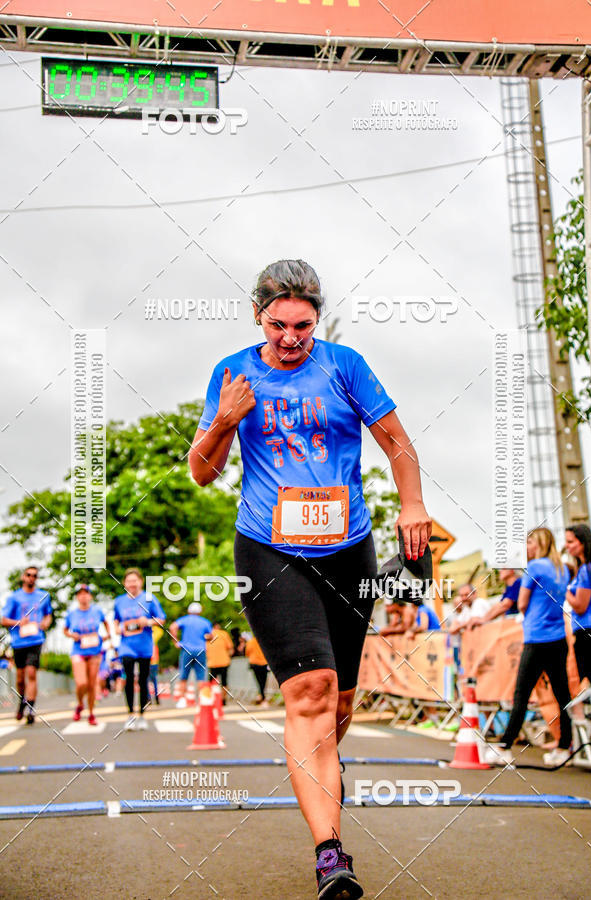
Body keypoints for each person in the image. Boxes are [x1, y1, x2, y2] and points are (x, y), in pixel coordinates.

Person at [189, 259, 431, 900]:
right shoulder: (233, 371)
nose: (291, 337)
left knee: (339, 703)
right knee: (312, 691)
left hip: (348, 550)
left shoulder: (344, 365)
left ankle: (318, 758)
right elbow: (201, 473)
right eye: (278, 325)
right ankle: (331, 853)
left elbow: (397, 443)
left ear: (316, 318)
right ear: (257, 316)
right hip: (270, 550)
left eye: (303, 324)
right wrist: (224, 420)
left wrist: (412, 504)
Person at [483, 528, 573, 767]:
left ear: (540, 543)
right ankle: (565, 746)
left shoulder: (534, 568)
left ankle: (505, 747)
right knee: (561, 694)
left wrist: (530, 612)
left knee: (521, 694)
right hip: (558, 638)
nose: (526, 546)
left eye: (529, 542)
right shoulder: (563, 569)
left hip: (536, 638)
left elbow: (522, 602)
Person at [113, 568, 165, 730]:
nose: (132, 584)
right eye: (129, 581)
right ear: (124, 584)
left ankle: (142, 715)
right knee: (128, 678)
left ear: (140, 582)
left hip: (144, 646)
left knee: (143, 680)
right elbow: (116, 620)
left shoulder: (149, 598)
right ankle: (130, 714)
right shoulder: (119, 601)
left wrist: (148, 622)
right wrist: (117, 628)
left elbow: (161, 619)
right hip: (127, 646)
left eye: (135, 581)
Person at [1, 566, 52, 724]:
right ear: (23, 576)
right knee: (21, 678)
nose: (31, 578)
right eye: (29, 575)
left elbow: (48, 615)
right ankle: (22, 702)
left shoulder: (43, 596)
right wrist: (18, 622)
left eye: (35, 575)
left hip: (35, 640)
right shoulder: (14, 598)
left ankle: (31, 708)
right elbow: (3, 620)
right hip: (18, 642)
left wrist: (45, 623)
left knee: (31, 673)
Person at [64, 583, 111, 726]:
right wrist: (73, 636)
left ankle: (91, 713)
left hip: (94, 650)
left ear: (90, 596)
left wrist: (107, 635)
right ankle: (79, 704)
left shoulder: (97, 611)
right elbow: (65, 630)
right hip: (78, 650)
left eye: (86, 593)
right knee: (82, 683)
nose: (83, 596)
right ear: (77, 597)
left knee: (91, 685)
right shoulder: (72, 614)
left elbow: (106, 623)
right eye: (80, 594)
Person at [564, 523, 591, 688]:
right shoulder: (585, 569)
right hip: (587, 630)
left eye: (571, 542)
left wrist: (564, 590)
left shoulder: (587, 570)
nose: (567, 546)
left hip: (589, 630)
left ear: (583, 543)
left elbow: (580, 606)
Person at [169, 602, 213, 709]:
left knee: (183, 676)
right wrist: (205, 638)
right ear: (200, 612)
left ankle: (183, 699)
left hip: (186, 650)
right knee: (201, 676)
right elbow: (210, 636)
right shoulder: (205, 622)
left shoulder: (185, 619)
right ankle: (201, 700)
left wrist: (176, 641)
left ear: (189, 611)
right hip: (200, 650)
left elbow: (172, 627)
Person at [206, 621, 234, 703]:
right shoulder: (224, 634)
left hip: (212, 663)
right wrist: (228, 656)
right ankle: (223, 699)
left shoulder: (207, 635)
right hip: (224, 662)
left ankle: (212, 699)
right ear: (218, 626)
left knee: (211, 682)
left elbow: (204, 649)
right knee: (224, 682)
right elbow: (231, 648)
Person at [245, 632, 269, 705]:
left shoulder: (250, 642)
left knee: (258, 681)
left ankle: (262, 696)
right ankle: (262, 696)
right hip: (264, 663)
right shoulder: (264, 641)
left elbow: (247, 653)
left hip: (254, 663)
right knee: (264, 681)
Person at [149, 623, 162, 704]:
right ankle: (156, 698)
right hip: (154, 661)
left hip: (150, 661)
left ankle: (148, 699)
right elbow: (160, 630)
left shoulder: (146, 639)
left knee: (146, 681)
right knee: (154, 680)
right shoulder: (154, 637)